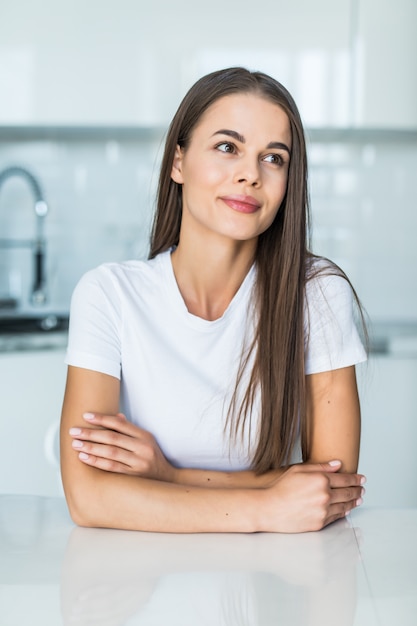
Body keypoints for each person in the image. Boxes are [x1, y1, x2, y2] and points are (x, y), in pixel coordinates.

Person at [60, 67, 367, 533]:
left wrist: (168, 476)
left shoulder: (318, 293)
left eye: (274, 158)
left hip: (270, 583)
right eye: (228, 147)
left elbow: (328, 489)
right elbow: (88, 497)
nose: (250, 175)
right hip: (135, 582)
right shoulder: (109, 295)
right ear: (177, 162)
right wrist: (266, 506)